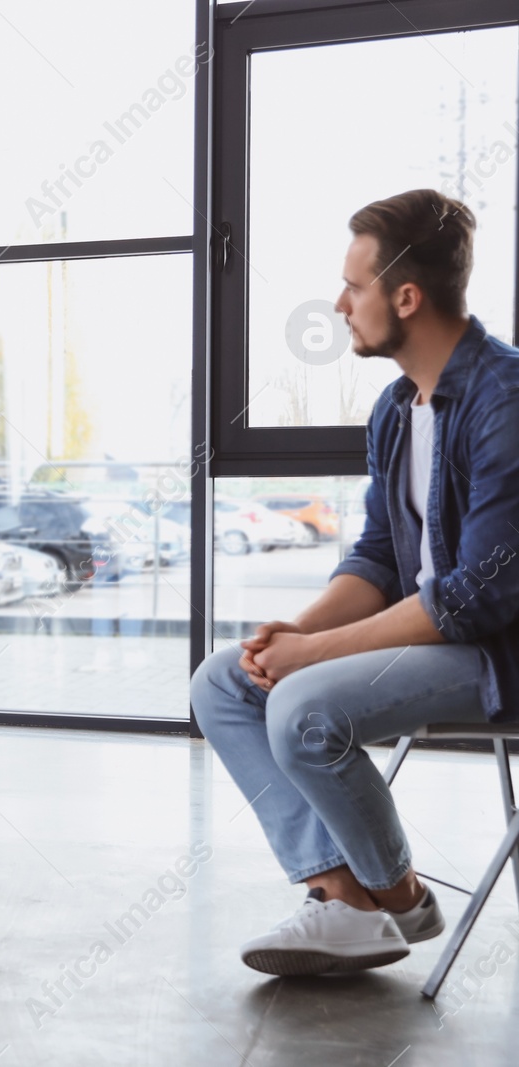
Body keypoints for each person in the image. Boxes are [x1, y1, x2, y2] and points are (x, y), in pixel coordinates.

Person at [192, 189, 519, 977]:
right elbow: (377, 558)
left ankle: (399, 899)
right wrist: (294, 637)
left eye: (353, 286)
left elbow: (478, 595)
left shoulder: (504, 398)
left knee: (305, 707)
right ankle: (344, 897)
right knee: (225, 683)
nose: (339, 305)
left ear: (406, 296)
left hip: (496, 653)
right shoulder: (396, 411)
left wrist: (316, 656)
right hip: (435, 639)